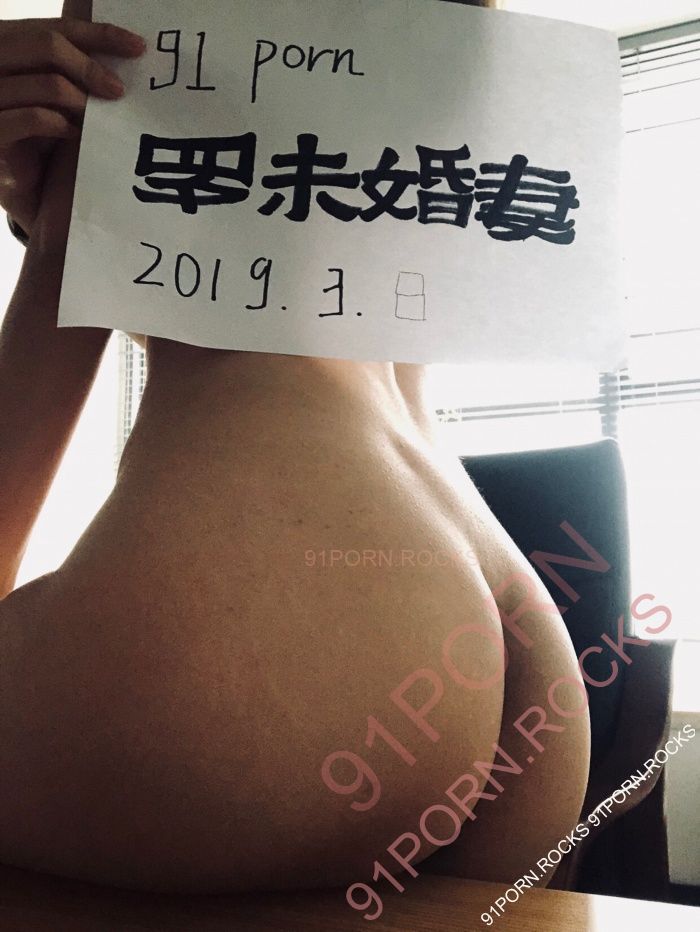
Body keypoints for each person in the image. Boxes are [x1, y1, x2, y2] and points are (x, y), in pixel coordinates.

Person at [0, 0, 589, 895]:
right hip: (509, 627)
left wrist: (60, 230)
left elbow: (85, 279)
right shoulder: (421, 59)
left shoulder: (137, 27)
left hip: (268, 655)